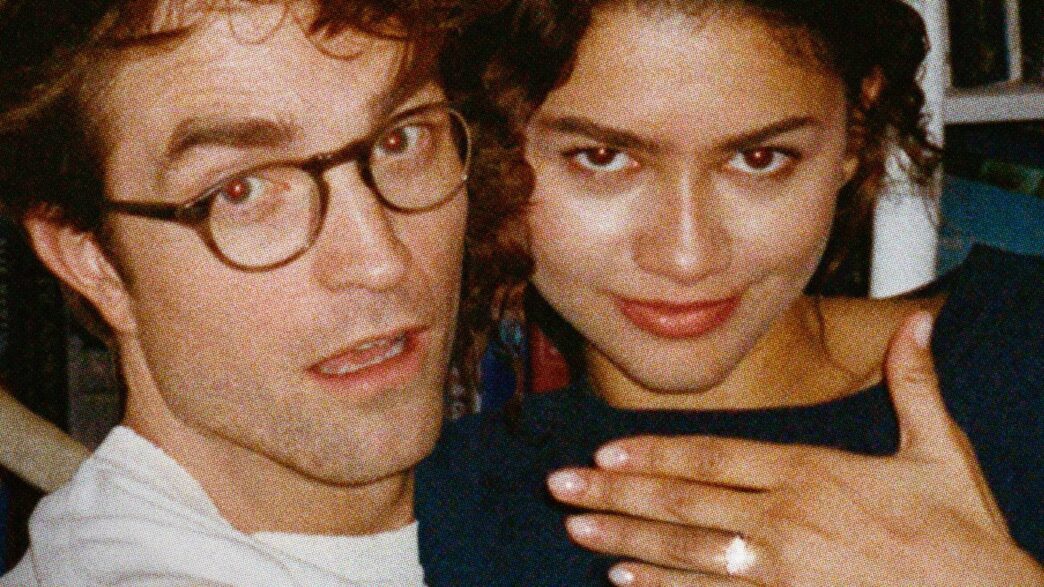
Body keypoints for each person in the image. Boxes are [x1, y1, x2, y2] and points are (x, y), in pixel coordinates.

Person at [416, 0, 1044, 585]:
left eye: (760, 158)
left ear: (855, 130)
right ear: (487, 146)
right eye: (601, 157)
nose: (687, 258)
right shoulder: (437, 501)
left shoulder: (1024, 351)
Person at [0, 0, 522, 583]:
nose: (380, 262)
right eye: (241, 190)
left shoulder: (528, 501)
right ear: (92, 262)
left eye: (401, 139)